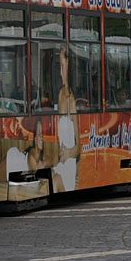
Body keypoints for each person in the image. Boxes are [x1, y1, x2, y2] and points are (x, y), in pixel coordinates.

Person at [53, 47, 79, 193]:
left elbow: (79, 147)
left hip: (68, 163)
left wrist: (68, 153)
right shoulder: (61, 93)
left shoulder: (71, 99)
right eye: (60, 65)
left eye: (64, 65)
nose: (61, 70)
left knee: (56, 181)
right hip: (60, 161)